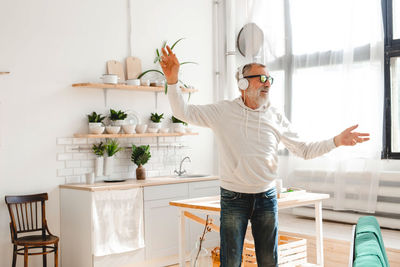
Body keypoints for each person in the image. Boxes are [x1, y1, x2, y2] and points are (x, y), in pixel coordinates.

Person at [160, 46, 369, 267]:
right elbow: (183, 112)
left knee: (269, 262)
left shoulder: (275, 116)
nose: (267, 83)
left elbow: (304, 150)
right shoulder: (223, 112)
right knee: (230, 262)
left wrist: (336, 140)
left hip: (267, 199)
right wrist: (172, 81)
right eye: (261, 78)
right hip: (233, 199)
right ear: (242, 83)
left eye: (270, 79)